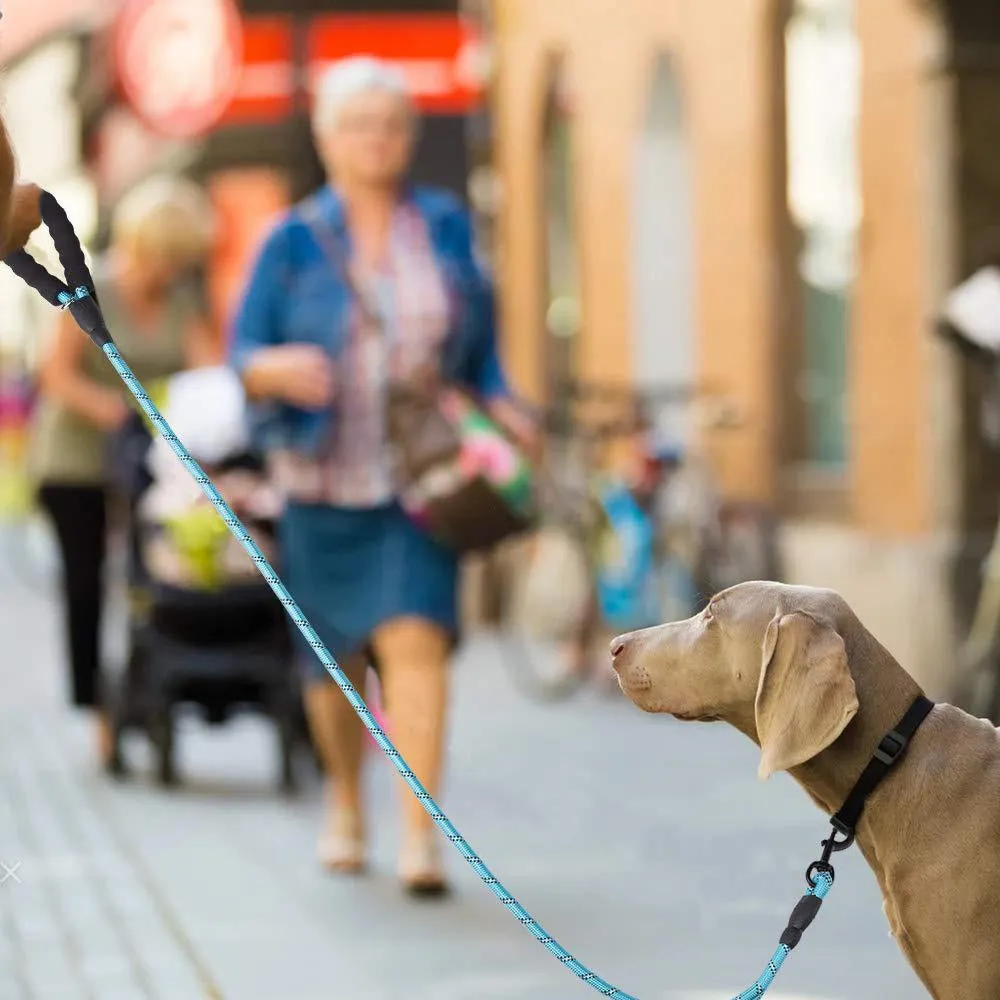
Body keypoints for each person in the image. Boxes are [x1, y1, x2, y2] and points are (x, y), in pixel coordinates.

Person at [229, 57, 534, 896]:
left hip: (422, 484)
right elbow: (240, 352)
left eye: (392, 124)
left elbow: (484, 347)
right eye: (358, 124)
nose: (377, 139)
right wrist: (270, 370)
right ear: (326, 137)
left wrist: (503, 404)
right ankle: (344, 801)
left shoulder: (441, 226)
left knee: (416, 642)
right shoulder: (290, 238)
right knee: (333, 668)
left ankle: (419, 836)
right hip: (320, 480)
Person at [29, 175, 219, 765]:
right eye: (167, 258)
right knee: (86, 583)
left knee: (153, 577)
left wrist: (209, 410)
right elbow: (54, 374)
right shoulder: (89, 288)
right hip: (77, 459)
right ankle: (95, 707)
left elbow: (208, 371)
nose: (171, 271)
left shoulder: (183, 302)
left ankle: (149, 686)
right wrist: (118, 412)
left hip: (151, 461)